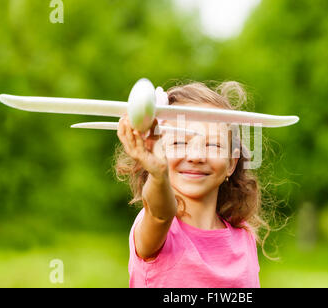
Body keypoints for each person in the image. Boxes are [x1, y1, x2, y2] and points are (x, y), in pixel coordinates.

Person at [115, 81, 270, 288]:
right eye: (179, 142)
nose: (196, 156)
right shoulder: (160, 227)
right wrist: (159, 174)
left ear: (231, 164)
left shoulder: (243, 236)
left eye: (213, 144)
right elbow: (160, 214)